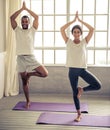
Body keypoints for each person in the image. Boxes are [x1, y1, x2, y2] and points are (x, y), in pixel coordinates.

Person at [60, 11, 101, 122]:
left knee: (97, 85)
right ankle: (78, 114)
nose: (76, 33)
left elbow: (92, 29)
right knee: (74, 94)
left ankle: (82, 89)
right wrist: (73, 21)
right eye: (75, 32)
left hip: (82, 70)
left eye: (78, 32)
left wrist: (80, 21)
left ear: (80, 33)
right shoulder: (68, 41)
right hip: (72, 71)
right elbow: (62, 29)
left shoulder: (84, 42)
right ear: (72, 33)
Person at [10, 2, 48, 109]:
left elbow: (36, 17)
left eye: (26, 21)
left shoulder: (33, 30)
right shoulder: (17, 30)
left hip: (31, 57)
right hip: (21, 58)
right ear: (21, 23)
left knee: (45, 73)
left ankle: (30, 74)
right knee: (24, 82)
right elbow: (12, 18)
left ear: (29, 22)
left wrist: (26, 9)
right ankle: (28, 101)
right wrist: (21, 10)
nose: (24, 23)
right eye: (23, 21)